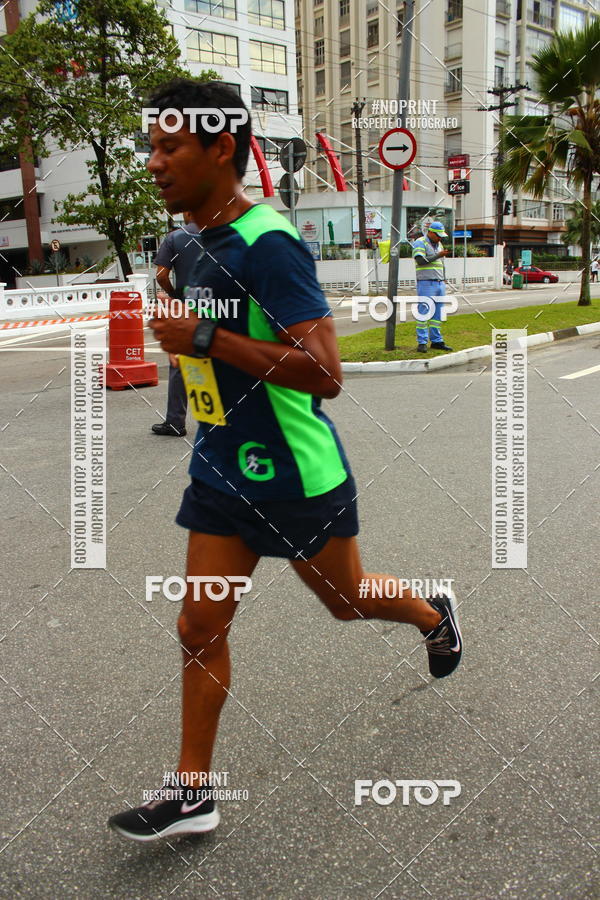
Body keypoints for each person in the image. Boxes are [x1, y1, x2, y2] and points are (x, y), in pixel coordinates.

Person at [108, 79, 462, 843]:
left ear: (220, 148)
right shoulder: (196, 243)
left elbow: (324, 370)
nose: (154, 163)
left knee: (347, 600)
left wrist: (203, 339)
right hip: (220, 470)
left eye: (169, 147)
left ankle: (434, 615)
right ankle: (193, 791)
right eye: (152, 147)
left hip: (296, 474)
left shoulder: (270, 243)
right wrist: (178, 307)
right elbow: (202, 322)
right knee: (200, 625)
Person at [151, 211, 202, 437]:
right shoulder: (224, 235)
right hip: (222, 305)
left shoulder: (175, 237)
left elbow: (161, 275)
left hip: (187, 306)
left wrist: (175, 295)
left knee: (179, 364)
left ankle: (175, 422)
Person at [412, 222, 454, 353]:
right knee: (424, 313)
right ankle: (422, 342)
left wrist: (443, 279)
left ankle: (436, 341)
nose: (440, 238)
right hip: (426, 283)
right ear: (430, 232)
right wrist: (438, 255)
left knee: (437, 314)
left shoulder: (439, 244)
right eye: (438, 235)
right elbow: (420, 260)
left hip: (439, 283)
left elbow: (441, 264)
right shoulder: (420, 242)